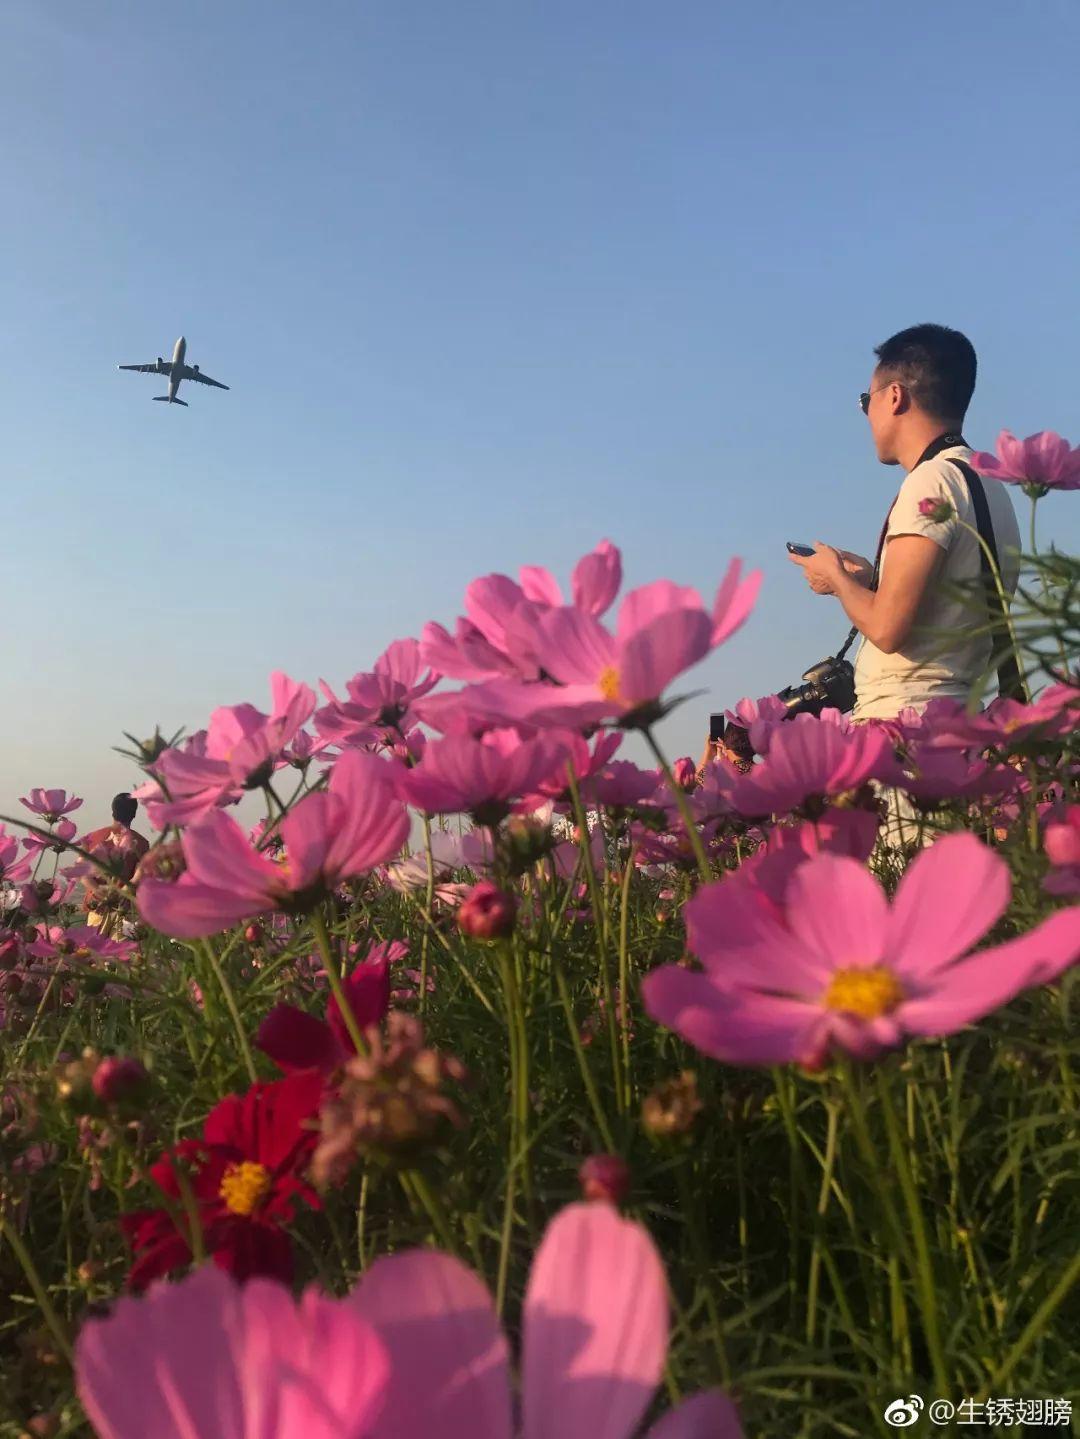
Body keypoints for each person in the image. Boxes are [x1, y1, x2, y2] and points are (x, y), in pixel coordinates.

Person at [788, 323, 1021, 722]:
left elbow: (888, 628)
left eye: (867, 400)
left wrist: (837, 579)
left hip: (906, 726)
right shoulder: (988, 483)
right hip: (957, 719)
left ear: (894, 396)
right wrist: (871, 583)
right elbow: (942, 611)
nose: (867, 413)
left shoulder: (930, 482)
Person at [82, 793, 149, 934]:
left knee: (94, 952)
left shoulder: (93, 838)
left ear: (113, 811)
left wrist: (99, 892)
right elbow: (139, 878)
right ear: (134, 814)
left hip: (97, 906)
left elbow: (83, 875)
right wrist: (120, 894)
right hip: (123, 911)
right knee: (121, 953)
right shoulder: (141, 843)